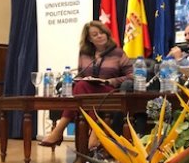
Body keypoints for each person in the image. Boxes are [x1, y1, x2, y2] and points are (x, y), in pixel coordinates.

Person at [40, 20, 133, 148]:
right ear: (89, 39)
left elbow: (132, 76)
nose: (100, 36)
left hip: (109, 91)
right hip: (88, 90)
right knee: (81, 85)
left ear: (107, 34)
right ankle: (94, 133)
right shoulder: (84, 54)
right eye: (95, 35)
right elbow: (81, 75)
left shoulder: (118, 53)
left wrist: (111, 81)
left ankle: (58, 131)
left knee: (82, 89)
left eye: (102, 33)